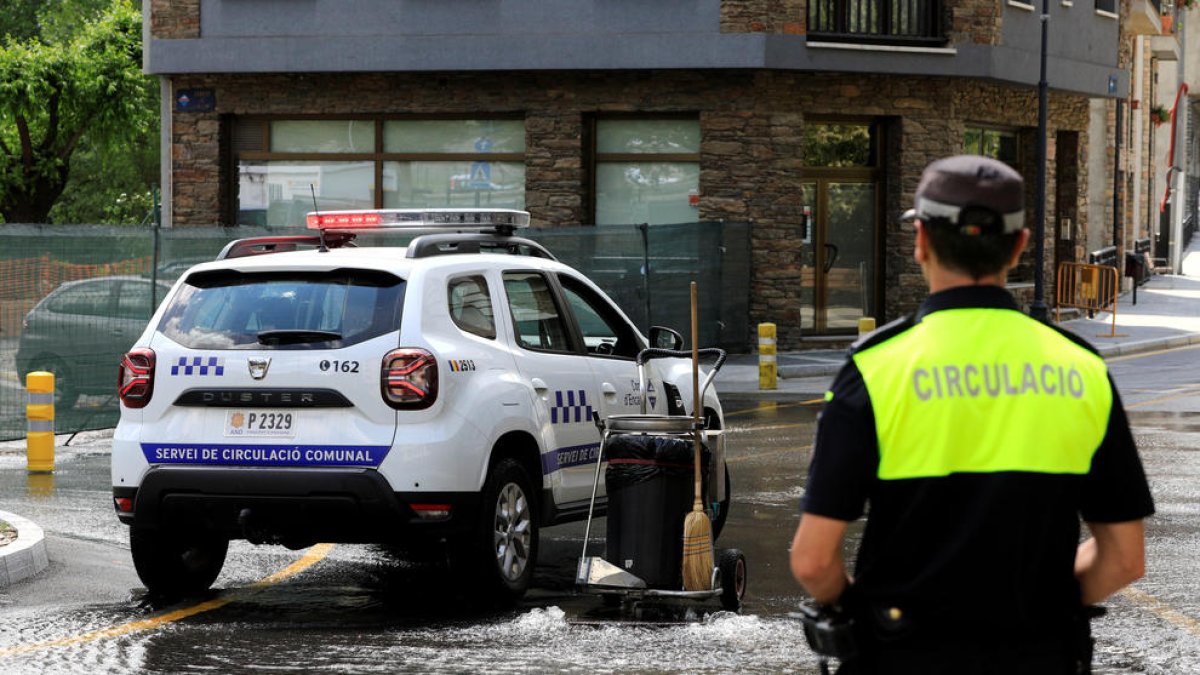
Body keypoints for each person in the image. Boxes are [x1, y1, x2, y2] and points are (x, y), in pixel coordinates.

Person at [789, 155, 1155, 674]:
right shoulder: (1082, 371)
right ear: (1020, 245)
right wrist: (1040, 601)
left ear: (921, 242)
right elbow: (1124, 559)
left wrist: (863, 615)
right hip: (1039, 657)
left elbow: (812, 560)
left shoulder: (876, 369)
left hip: (899, 656)